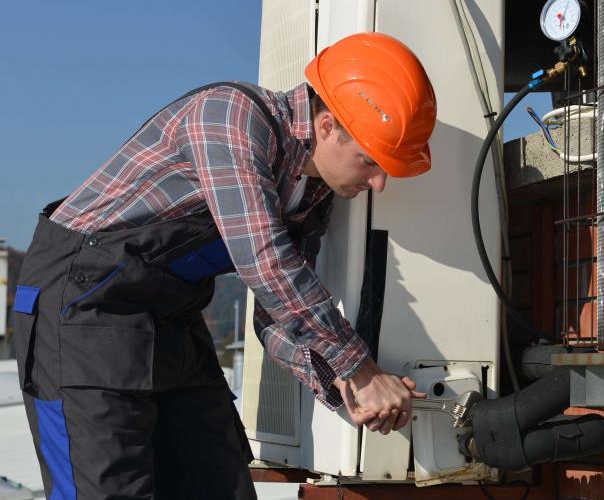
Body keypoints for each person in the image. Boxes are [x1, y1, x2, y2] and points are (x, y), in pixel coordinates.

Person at [12, 32, 437, 500]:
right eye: (370, 161)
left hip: (168, 315)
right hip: (77, 305)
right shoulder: (230, 117)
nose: (379, 182)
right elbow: (265, 262)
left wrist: (340, 383)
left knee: (219, 483)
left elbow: (276, 313)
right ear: (327, 125)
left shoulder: (312, 193)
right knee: (107, 489)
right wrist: (359, 367)